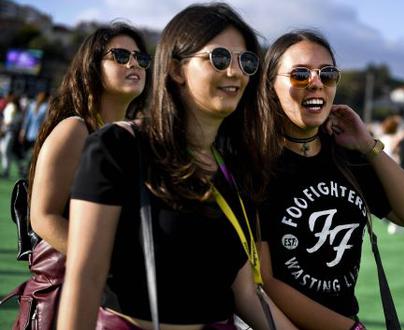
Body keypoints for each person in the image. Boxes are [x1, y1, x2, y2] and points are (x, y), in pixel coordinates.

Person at [57, 4, 296, 330]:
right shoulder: (118, 147)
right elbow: (85, 279)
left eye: (247, 61)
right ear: (175, 69)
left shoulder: (233, 167)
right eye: (220, 58)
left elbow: (247, 292)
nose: (236, 72)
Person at [257, 29, 404, 330]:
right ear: (271, 85)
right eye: (300, 74)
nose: (316, 83)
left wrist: (367, 145)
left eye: (328, 74)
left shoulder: (345, 156)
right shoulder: (255, 163)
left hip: (346, 320)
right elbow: (264, 281)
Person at [8, 23, 151, 329]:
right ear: (92, 66)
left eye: (142, 58)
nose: (134, 63)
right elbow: (43, 217)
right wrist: (106, 266)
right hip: (64, 299)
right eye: (121, 55)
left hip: (115, 303)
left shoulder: (137, 137)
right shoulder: (75, 129)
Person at [0, 92, 23, 178]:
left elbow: (10, 121)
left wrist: (3, 123)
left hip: (9, 131)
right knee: (5, 151)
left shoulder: (13, 107)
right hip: (7, 131)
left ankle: (6, 171)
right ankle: (7, 170)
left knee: (6, 151)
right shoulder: (12, 106)